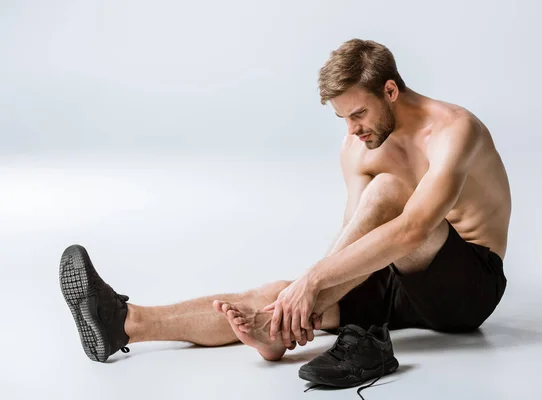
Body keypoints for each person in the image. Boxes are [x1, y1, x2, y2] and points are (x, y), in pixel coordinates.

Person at [59, 38, 509, 364]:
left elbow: (413, 228)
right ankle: (126, 321)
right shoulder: (357, 146)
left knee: (387, 192)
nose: (352, 130)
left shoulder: (454, 130)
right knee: (276, 296)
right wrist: (295, 300)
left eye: (358, 114)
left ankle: (288, 316)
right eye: (342, 118)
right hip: (398, 276)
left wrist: (311, 281)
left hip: (467, 290)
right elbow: (355, 244)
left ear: (390, 91)